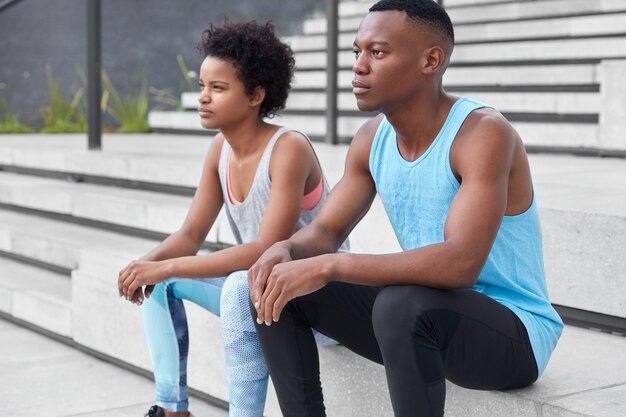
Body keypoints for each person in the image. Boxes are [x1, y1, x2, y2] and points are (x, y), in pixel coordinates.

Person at [248, 1, 564, 416]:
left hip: (512, 334)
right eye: (357, 52)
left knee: (401, 304)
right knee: (277, 285)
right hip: (424, 315)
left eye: (377, 53)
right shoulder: (371, 138)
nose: (359, 66)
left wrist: (330, 266)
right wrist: (287, 250)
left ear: (430, 60)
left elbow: (459, 264)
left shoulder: (482, 134)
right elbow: (325, 231)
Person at [117, 21, 346, 417]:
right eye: (203, 85)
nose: (203, 98)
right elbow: (190, 233)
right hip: (254, 291)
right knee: (161, 279)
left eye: (218, 88)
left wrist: (163, 265)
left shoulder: (287, 148)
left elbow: (264, 249)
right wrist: (145, 265)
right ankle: (172, 409)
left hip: (309, 300)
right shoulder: (220, 149)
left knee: (236, 282)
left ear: (257, 95)